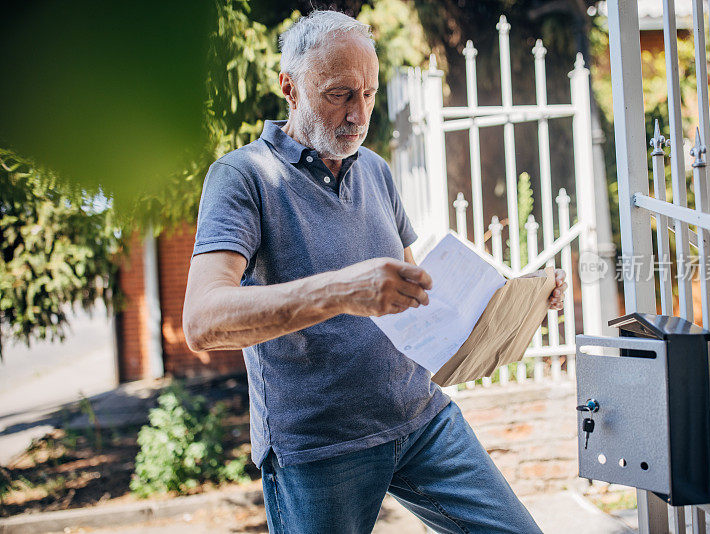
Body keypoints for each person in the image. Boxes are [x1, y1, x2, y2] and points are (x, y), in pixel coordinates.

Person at [183, 10, 566, 534]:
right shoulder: (243, 177)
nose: (358, 114)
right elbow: (203, 320)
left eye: (368, 93)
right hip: (322, 446)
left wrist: (516, 303)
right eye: (339, 93)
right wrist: (342, 290)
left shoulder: (377, 171)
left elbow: (417, 299)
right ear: (289, 87)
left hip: (422, 417)